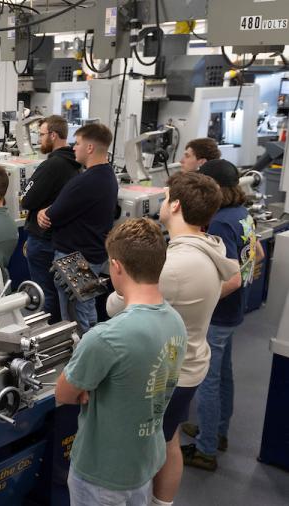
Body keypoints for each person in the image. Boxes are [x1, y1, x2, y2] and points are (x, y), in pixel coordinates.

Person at [106, 172, 238, 505]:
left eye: (165, 198)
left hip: (165, 374)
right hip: (190, 362)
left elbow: (117, 307)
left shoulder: (176, 266)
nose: (163, 203)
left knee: (146, 447)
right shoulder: (209, 248)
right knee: (168, 439)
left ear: (176, 205)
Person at [56, 218, 187, 506]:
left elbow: (63, 394)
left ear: (116, 267)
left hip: (101, 473)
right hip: (143, 464)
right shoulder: (176, 322)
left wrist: (87, 386)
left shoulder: (106, 337)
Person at [182, 159, 265, 473]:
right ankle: (217, 431)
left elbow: (231, 278)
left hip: (217, 315)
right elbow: (257, 255)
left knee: (208, 380)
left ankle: (205, 449)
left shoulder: (219, 223)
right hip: (234, 312)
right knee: (224, 375)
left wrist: (200, 298)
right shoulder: (242, 215)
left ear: (215, 188)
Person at [38, 123, 118, 333]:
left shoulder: (86, 181)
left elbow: (53, 215)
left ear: (90, 148)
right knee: (87, 309)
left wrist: (43, 212)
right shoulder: (107, 176)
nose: (74, 147)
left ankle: (81, 351)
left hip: (74, 259)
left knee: (75, 319)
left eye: (78, 143)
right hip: (92, 255)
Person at [20, 115, 81, 323]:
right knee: (59, 296)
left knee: (44, 294)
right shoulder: (76, 164)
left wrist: (38, 209)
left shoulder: (51, 165)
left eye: (41, 134)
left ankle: (46, 334)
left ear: (53, 135)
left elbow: (26, 199)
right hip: (64, 240)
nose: (39, 140)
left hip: (43, 240)